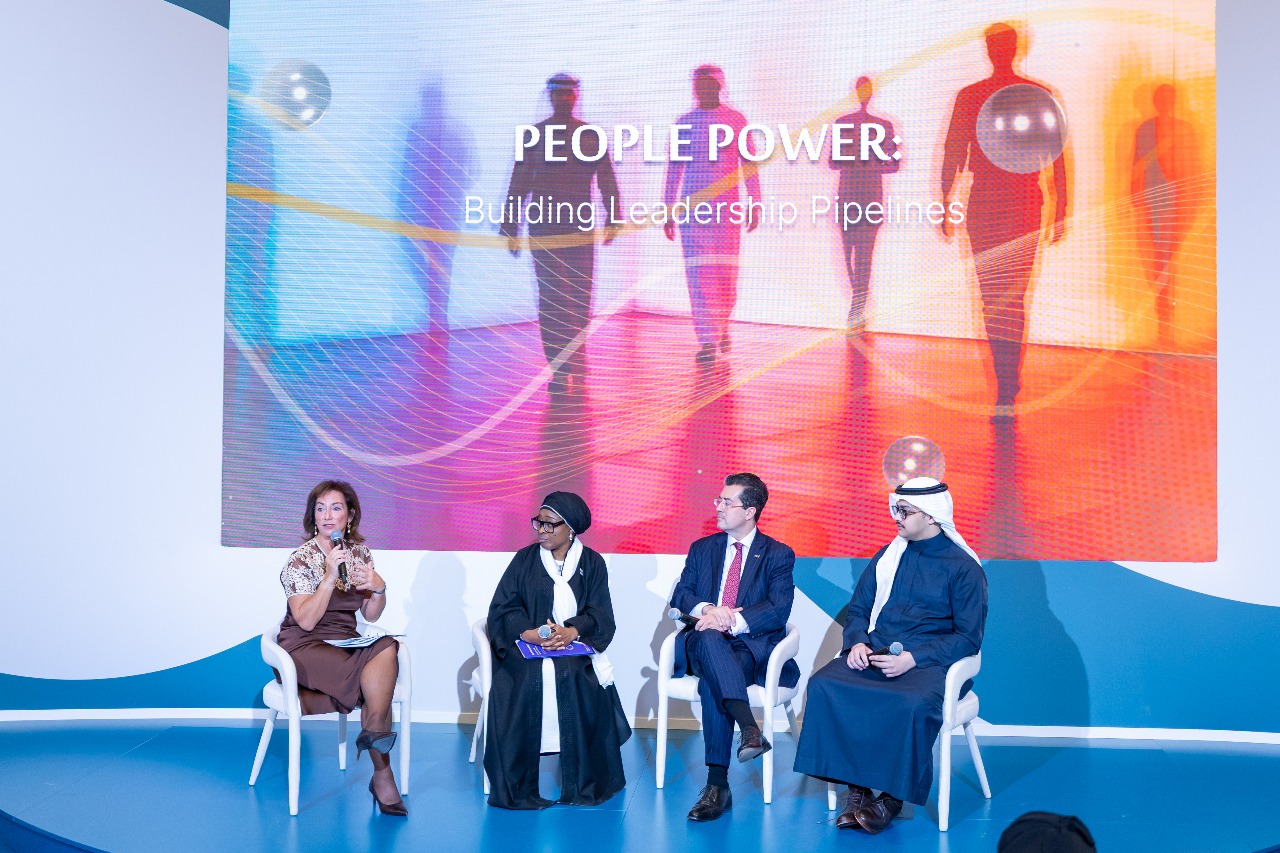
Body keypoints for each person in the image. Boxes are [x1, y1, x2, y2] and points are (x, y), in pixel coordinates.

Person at [793, 477, 987, 834]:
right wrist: (857, 644)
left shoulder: (964, 568)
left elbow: (967, 638)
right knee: (825, 684)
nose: (896, 517)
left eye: (905, 511)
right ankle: (858, 789)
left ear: (931, 515)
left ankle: (893, 799)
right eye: (896, 509)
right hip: (878, 652)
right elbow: (858, 610)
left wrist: (913, 659)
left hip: (932, 663)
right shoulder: (888, 556)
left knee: (911, 702)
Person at [940, 23, 1069, 410]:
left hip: (988, 202)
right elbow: (1057, 157)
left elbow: (952, 153)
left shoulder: (971, 95)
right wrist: (1061, 207)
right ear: (1015, 49)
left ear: (989, 49)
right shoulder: (1038, 94)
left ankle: (1006, 381)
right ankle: (1007, 382)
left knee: (993, 298)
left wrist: (944, 203)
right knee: (1013, 297)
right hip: (1024, 200)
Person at [484, 491, 631, 809]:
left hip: (573, 646)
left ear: (571, 529)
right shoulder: (524, 559)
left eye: (550, 524)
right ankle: (518, 786)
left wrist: (572, 631)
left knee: (577, 673)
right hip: (527, 646)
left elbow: (601, 613)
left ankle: (582, 784)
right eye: (539, 522)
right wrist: (529, 633)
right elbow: (503, 608)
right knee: (527, 675)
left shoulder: (592, 563)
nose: (542, 530)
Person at [668, 473, 798, 821]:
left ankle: (717, 786)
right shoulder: (703, 548)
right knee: (710, 640)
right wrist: (710, 610)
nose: (719, 508)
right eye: (719, 500)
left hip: (748, 647)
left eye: (727, 502)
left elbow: (778, 609)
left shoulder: (778, 554)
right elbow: (681, 595)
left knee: (716, 679)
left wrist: (731, 620)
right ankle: (750, 728)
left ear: (750, 511)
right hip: (701, 641)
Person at [277, 480, 406, 816]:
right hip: (304, 645)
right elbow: (306, 621)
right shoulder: (300, 560)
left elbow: (370, 614)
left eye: (335, 508)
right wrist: (328, 576)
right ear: (313, 516)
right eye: (320, 508)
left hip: (345, 641)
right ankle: (383, 775)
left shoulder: (360, 554)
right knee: (375, 687)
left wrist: (379, 588)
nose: (327, 515)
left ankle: (373, 732)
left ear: (349, 515)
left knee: (387, 646)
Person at [501, 73, 621, 393]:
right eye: (559, 94)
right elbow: (519, 182)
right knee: (553, 298)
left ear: (575, 97)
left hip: (580, 226)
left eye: (569, 94)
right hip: (544, 226)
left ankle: (576, 361)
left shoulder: (591, 136)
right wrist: (510, 225)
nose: (565, 99)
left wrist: (613, 218)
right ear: (550, 96)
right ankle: (559, 367)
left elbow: (606, 179)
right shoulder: (534, 136)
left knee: (580, 296)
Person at [663, 65, 762, 365]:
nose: (704, 90)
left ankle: (722, 325)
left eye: (710, 85)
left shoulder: (736, 120)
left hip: (727, 210)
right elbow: (673, 169)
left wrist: (755, 202)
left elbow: (749, 164)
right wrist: (668, 208)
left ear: (720, 87)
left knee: (725, 274)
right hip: (692, 211)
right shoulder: (684, 123)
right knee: (699, 275)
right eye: (699, 86)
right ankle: (707, 339)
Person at [830, 76, 900, 330]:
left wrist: (862, 160)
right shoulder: (874, 125)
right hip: (862, 194)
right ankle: (859, 302)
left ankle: (857, 306)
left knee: (857, 254)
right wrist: (869, 162)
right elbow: (893, 165)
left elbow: (833, 162)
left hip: (857, 193)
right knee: (857, 254)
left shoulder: (848, 123)